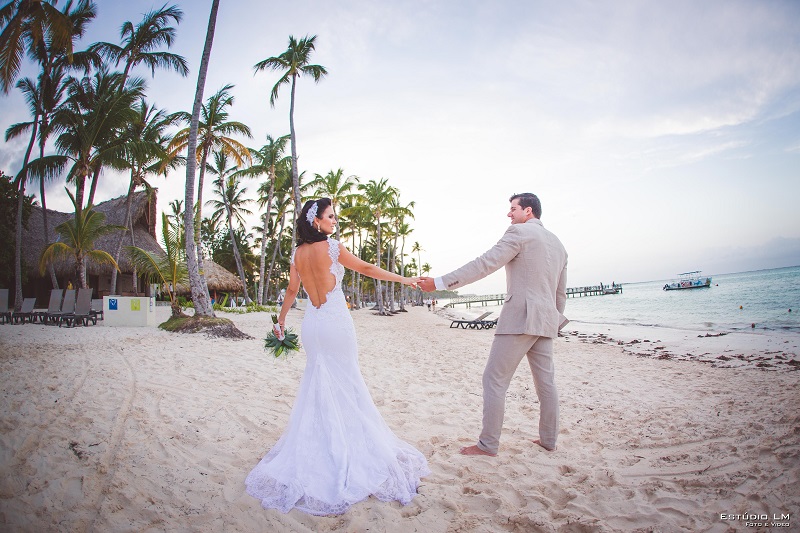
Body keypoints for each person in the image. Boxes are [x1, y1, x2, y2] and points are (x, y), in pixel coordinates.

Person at [246, 198, 430, 516]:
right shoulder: (331, 247)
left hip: (313, 325)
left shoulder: (297, 254)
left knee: (319, 384)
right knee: (347, 382)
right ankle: (347, 450)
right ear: (316, 221)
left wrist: (280, 321)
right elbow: (367, 269)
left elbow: (291, 291)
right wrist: (405, 279)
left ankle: (322, 446)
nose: (335, 221)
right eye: (330, 216)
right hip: (335, 322)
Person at [419, 192, 568, 456]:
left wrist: (440, 283)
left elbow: (484, 264)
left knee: (494, 380)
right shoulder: (558, 244)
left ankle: (488, 445)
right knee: (546, 383)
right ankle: (549, 440)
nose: (509, 214)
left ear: (528, 211)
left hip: (520, 319)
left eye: (513, 209)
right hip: (546, 320)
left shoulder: (519, 234)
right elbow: (560, 293)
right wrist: (554, 320)